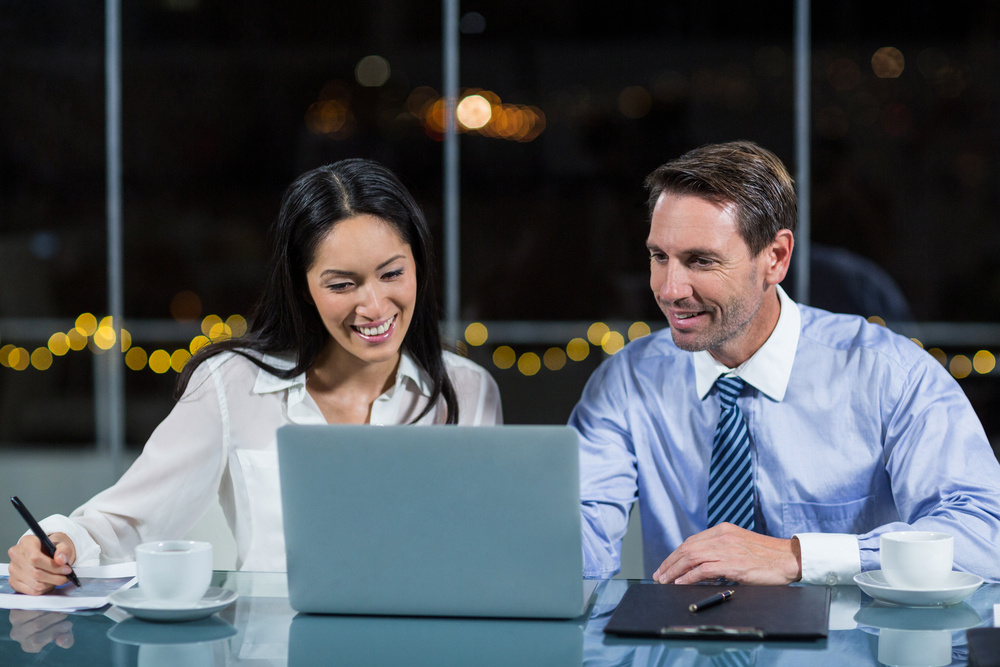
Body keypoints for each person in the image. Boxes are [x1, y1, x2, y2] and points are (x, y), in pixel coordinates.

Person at [8, 159, 503, 594]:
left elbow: (490, 552)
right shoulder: (231, 385)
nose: (374, 305)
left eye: (392, 274)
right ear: (302, 287)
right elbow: (126, 520)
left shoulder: (469, 390)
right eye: (342, 284)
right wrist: (58, 544)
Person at [570, 140, 1000, 585]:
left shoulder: (888, 374)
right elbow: (578, 537)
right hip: (684, 647)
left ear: (774, 258)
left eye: (701, 261)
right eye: (660, 256)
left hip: (849, 649)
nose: (669, 289)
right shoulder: (627, 381)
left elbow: (987, 535)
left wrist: (799, 556)